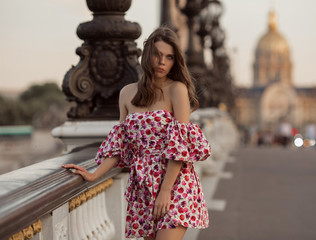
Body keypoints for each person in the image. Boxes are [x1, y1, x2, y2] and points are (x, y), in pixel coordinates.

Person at [63, 27, 211, 240]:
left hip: (175, 183)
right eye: (157, 54)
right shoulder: (126, 93)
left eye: (169, 57)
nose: (162, 62)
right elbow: (120, 144)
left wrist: (165, 191)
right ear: (147, 54)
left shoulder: (177, 89)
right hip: (142, 185)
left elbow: (180, 146)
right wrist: (94, 174)